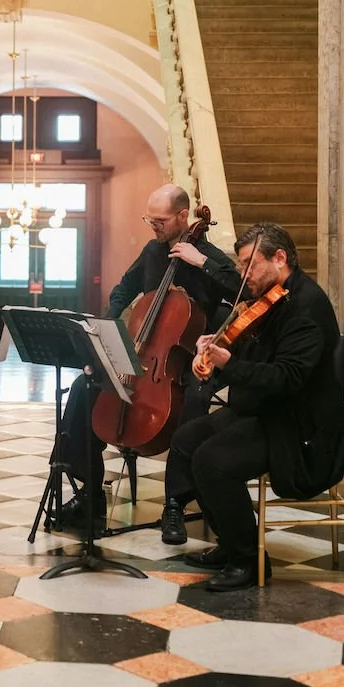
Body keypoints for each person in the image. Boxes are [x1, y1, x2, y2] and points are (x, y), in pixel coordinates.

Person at [171, 222, 344, 592]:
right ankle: (231, 541)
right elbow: (255, 352)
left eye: (250, 264)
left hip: (300, 428)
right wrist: (217, 344)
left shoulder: (306, 307)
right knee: (187, 441)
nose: (243, 274)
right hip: (267, 411)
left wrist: (226, 362)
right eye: (240, 265)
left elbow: (285, 378)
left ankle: (248, 562)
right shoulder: (274, 297)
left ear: (279, 258)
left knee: (213, 462)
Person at [58, 184, 241, 536]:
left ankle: (175, 502)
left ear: (183, 217)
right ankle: (90, 490)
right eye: (150, 219)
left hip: (193, 360)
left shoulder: (209, 256)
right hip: (146, 353)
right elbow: (124, 289)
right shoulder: (153, 251)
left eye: (159, 220)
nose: (152, 226)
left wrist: (200, 262)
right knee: (85, 385)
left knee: (195, 403)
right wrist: (109, 323)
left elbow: (243, 289)